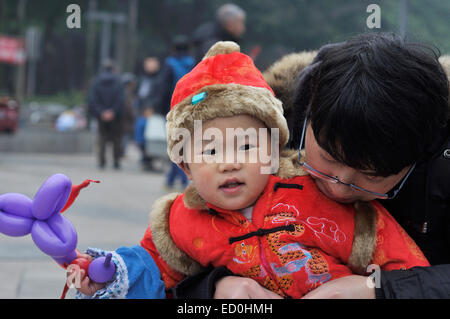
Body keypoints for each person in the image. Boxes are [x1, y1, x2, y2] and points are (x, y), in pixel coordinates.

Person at [71, 41, 429, 299]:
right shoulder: (179, 222)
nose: (230, 162)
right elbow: (155, 270)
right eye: (209, 151)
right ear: (185, 165)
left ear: (275, 150)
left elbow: (406, 269)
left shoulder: (323, 199)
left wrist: (375, 290)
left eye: (246, 145)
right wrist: (107, 274)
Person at [189, 33, 450, 299]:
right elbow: (184, 251)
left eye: (370, 175)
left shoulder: (440, 157)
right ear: (308, 114)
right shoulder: (262, 130)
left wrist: (381, 291)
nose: (338, 188)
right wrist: (214, 287)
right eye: (328, 158)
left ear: (421, 154)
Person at [154, 35, 195, 190]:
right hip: (190, 108)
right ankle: (180, 179)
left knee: (174, 144)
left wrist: (161, 109)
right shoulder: (192, 64)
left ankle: (174, 179)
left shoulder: (170, 64)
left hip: (173, 108)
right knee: (185, 143)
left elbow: (164, 88)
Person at [88, 59, 126, 170]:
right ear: (113, 69)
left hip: (101, 116)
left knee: (102, 138)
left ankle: (101, 161)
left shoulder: (96, 81)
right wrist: (113, 111)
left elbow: (93, 99)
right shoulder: (119, 81)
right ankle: (116, 161)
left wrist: (101, 112)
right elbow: (121, 99)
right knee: (116, 139)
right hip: (116, 116)